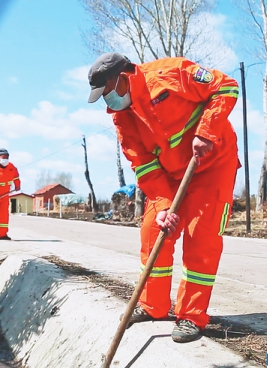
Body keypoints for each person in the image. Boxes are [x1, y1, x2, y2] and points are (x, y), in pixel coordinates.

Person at [87, 52, 241, 343]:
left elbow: (227, 87)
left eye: (107, 92)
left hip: (211, 165)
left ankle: (191, 316)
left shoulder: (171, 72)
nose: (108, 101)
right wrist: (162, 205)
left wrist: (206, 132)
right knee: (153, 230)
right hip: (170, 177)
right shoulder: (122, 116)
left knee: (201, 236)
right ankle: (153, 306)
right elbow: (142, 163)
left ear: (122, 78)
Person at [0, 148, 21, 240]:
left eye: (7, 157)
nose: (5, 159)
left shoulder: (11, 167)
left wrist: (17, 185)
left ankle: (2, 234)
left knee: (4, 215)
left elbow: (16, 178)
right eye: (3, 157)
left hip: (5, 195)